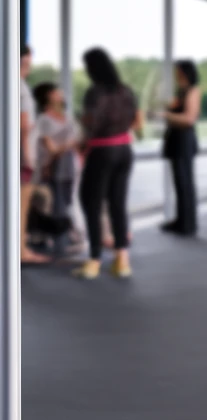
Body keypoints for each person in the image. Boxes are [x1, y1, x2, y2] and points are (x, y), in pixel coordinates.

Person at [74, 48, 142, 280]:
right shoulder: (126, 91)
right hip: (124, 150)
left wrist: (82, 146)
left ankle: (93, 260)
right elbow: (134, 119)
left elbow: (91, 123)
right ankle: (122, 261)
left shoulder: (95, 92)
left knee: (91, 202)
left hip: (102, 150)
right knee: (117, 204)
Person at [32, 82, 83, 258]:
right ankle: (60, 242)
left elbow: (75, 143)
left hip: (70, 165)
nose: (61, 93)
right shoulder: (44, 119)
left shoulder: (66, 117)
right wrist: (70, 144)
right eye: (56, 91)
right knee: (57, 204)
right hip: (53, 167)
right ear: (48, 96)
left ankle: (64, 237)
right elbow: (51, 148)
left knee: (67, 202)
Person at [160, 59, 201, 236]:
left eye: (178, 71)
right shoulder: (181, 91)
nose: (176, 75)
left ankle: (188, 225)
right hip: (176, 140)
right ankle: (181, 221)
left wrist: (166, 115)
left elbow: (189, 119)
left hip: (184, 140)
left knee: (185, 183)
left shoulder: (193, 91)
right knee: (179, 183)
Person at [19, 44, 51, 264]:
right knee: (21, 207)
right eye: (26, 63)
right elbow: (23, 127)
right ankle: (21, 251)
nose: (27, 69)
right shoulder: (20, 88)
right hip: (21, 156)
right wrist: (27, 157)